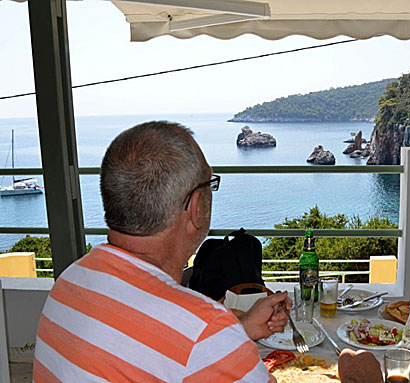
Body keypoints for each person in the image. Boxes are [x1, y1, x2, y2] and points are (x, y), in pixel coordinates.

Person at [33, 121, 290, 382]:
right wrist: (222, 338)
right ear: (195, 207)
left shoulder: (69, 282)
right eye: (209, 184)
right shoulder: (203, 329)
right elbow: (188, 343)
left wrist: (238, 330)